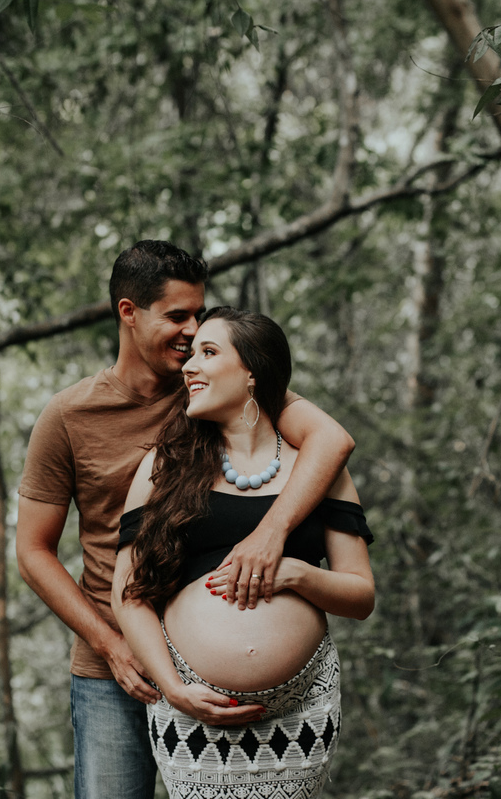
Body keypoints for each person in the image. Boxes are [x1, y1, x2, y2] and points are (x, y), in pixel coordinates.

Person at [16, 241, 355, 799]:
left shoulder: (217, 383)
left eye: (198, 314)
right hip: (115, 666)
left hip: (220, 671)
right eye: (177, 316)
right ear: (129, 312)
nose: (191, 330)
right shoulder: (69, 415)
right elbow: (32, 551)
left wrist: (270, 536)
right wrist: (110, 644)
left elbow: (330, 440)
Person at [111, 306, 375, 799]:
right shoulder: (164, 466)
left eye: (208, 352)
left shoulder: (318, 470)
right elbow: (128, 595)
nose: (189, 366)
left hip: (299, 710)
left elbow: (361, 596)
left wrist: (295, 575)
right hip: (191, 707)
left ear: (252, 372)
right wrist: (174, 690)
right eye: (191, 354)